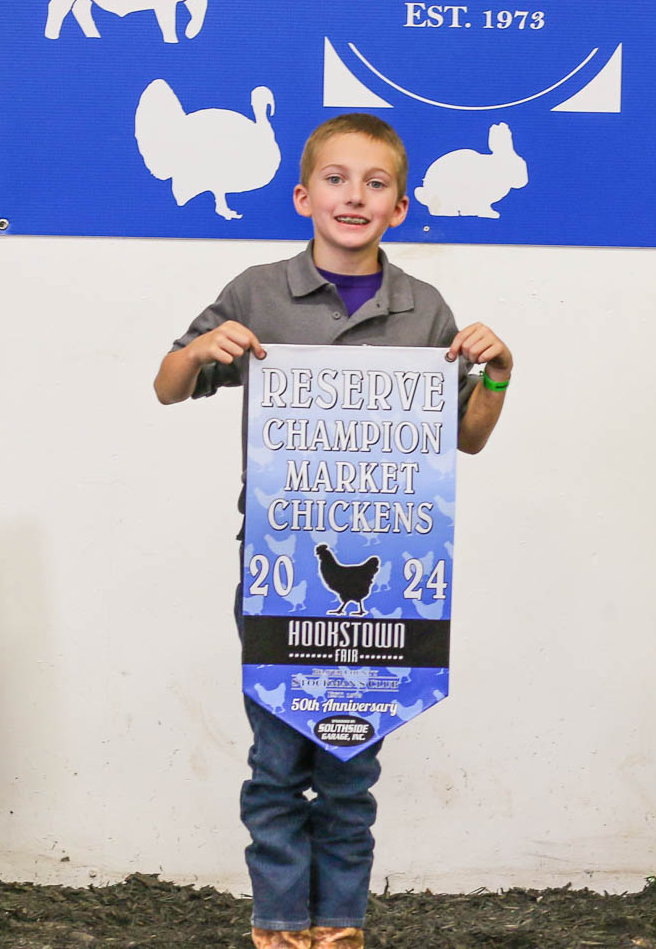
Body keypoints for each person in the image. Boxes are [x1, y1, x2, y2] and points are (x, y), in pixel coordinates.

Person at [153, 113, 513, 949]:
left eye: (376, 184)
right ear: (303, 196)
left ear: (400, 206)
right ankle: (279, 924)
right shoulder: (256, 292)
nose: (355, 196)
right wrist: (204, 349)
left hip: (388, 576)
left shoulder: (425, 308)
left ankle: (340, 925)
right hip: (278, 568)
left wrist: (497, 373)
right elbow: (168, 385)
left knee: (351, 767)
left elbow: (465, 437)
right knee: (277, 762)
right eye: (338, 179)